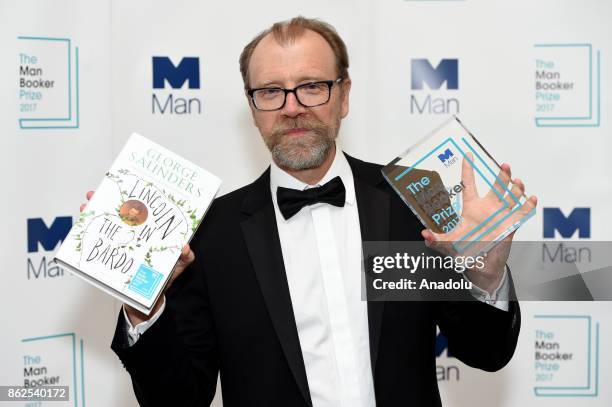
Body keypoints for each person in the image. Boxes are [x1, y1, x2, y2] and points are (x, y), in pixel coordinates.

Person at [83, 16, 537, 407]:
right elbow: (177, 399)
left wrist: (485, 275)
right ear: (252, 106)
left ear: (344, 95)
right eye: (271, 92)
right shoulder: (209, 234)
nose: (292, 107)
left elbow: (487, 353)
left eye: (312, 86)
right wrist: (144, 305)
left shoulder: (412, 201)